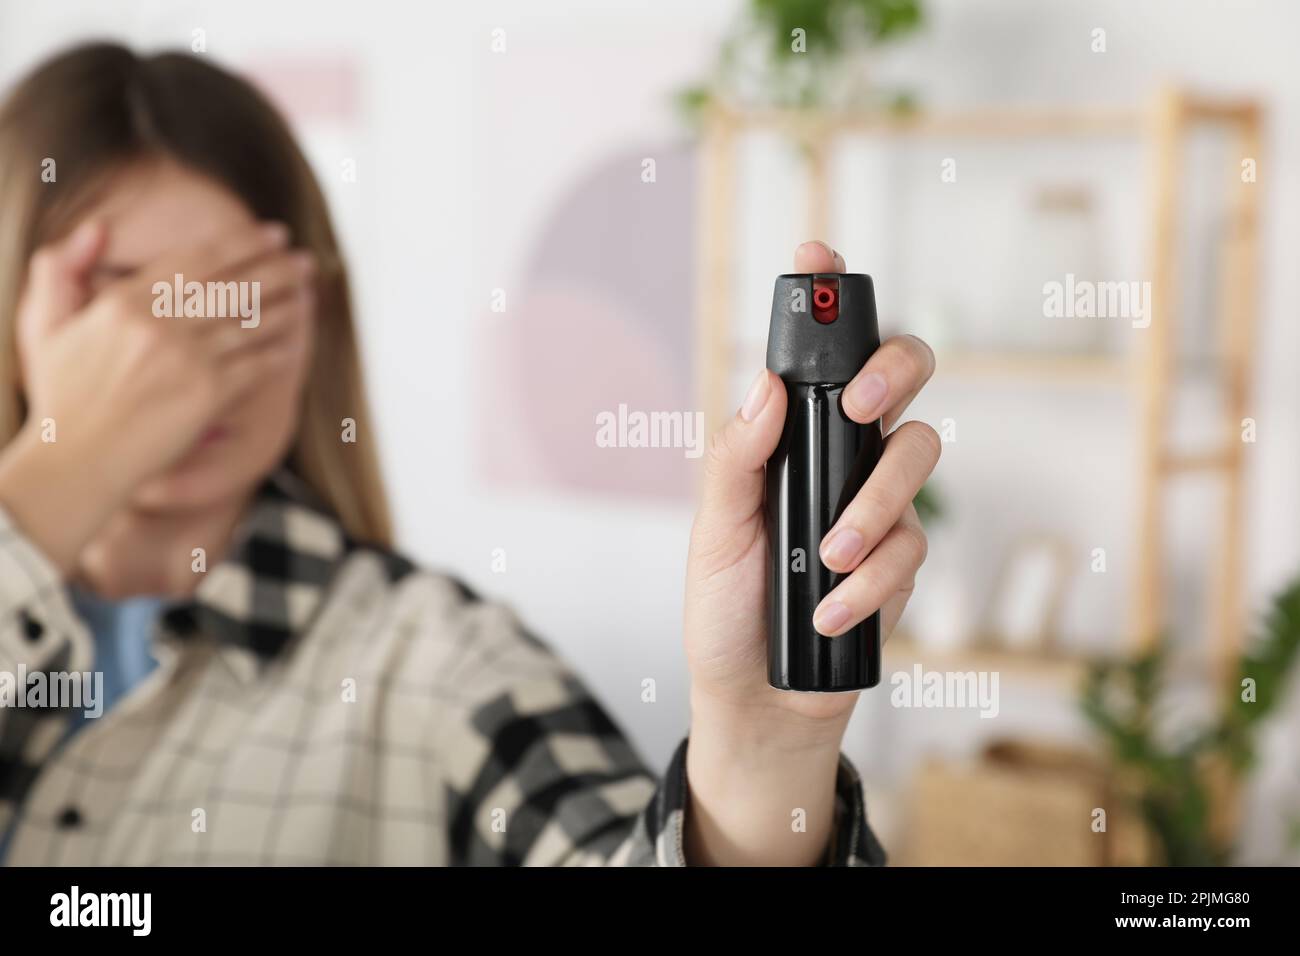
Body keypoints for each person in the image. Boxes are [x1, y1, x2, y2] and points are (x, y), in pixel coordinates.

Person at [0, 44, 939, 866]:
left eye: (238, 294)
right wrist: (51, 475)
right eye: (127, 298)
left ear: (316, 312)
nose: (181, 354)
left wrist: (758, 750)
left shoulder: (442, 670)